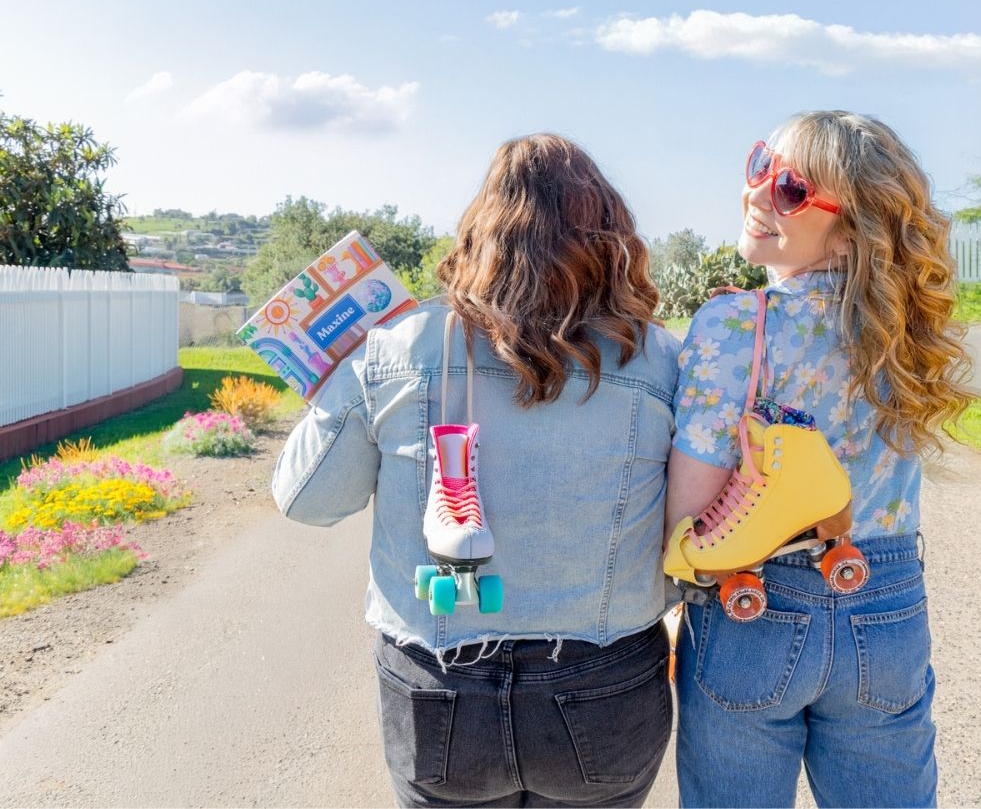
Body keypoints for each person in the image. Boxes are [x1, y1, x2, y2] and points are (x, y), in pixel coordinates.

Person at [272, 133, 680, 808]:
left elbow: (308, 500)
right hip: (604, 681)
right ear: (611, 235)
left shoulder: (397, 349)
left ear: (478, 233)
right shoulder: (660, 361)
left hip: (438, 685)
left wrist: (342, 377)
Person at [665, 111, 976, 808]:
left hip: (752, 602)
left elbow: (689, 514)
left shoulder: (738, 322)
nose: (756, 193)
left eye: (790, 190)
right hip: (886, 597)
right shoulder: (906, 329)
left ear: (851, 223)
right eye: (758, 168)